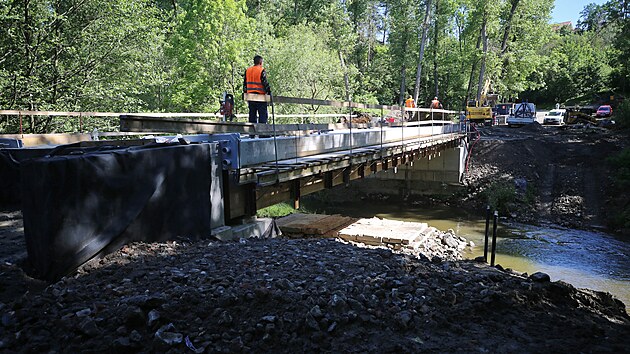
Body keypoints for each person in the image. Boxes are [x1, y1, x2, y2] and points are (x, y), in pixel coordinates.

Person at [243, 55, 272, 124]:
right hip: (260, 96)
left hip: (250, 95)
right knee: (262, 115)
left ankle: (252, 133)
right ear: (261, 62)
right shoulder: (261, 70)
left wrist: (245, 94)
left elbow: (245, 84)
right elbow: (264, 82)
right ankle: (262, 133)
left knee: (252, 114)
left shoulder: (248, 70)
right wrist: (269, 92)